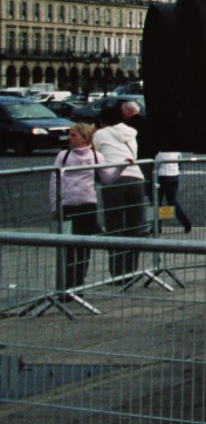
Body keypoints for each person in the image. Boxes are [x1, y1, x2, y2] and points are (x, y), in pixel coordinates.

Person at [92, 102, 148, 276]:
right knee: (135, 226)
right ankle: (131, 270)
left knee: (114, 225)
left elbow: (94, 154)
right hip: (136, 177)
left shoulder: (100, 133)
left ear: (103, 120)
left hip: (114, 179)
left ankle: (117, 271)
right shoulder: (131, 134)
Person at [48, 122, 101, 289]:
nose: (69, 138)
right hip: (67, 205)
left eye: (73, 135)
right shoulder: (63, 155)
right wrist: (55, 205)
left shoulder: (96, 156)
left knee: (84, 246)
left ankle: (79, 283)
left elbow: (106, 178)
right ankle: (66, 283)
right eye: (69, 135)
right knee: (68, 247)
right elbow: (54, 181)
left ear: (85, 138)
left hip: (87, 205)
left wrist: (121, 168)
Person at [154, 148, 194, 234]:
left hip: (161, 176)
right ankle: (186, 222)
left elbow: (156, 161)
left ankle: (157, 227)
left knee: (156, 201)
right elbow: (179, 159)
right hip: (174, 175)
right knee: (172, 201)